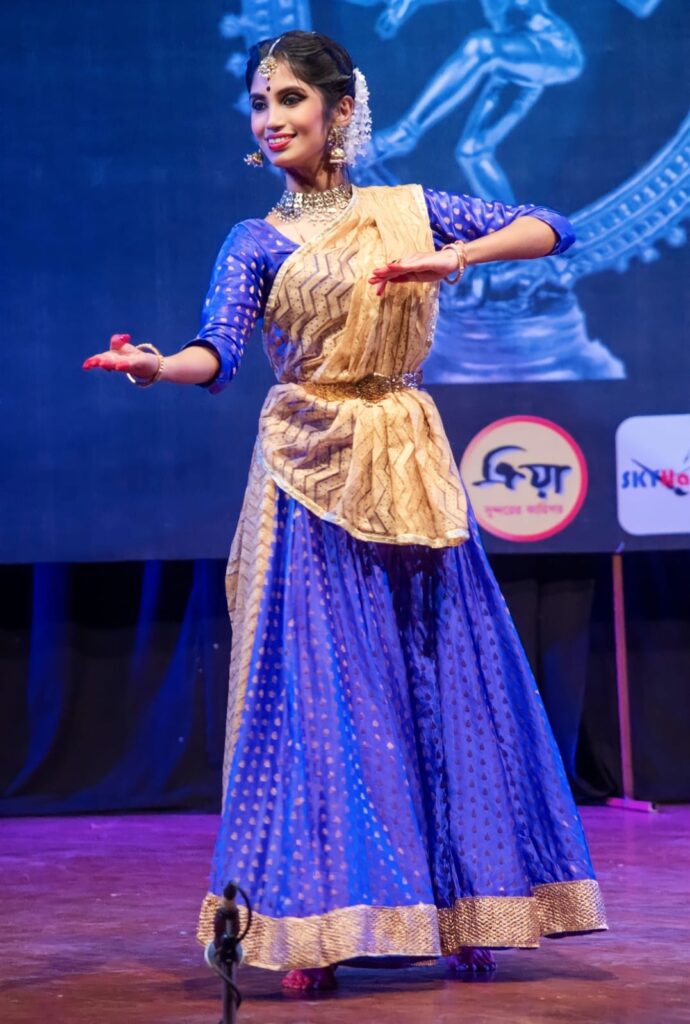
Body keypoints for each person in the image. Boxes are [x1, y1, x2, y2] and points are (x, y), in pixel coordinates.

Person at [83, 30, 607, 992]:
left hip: (406, 460)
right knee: (316, 699)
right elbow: (218, 353)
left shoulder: (408, 211)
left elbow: (552, 224)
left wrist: (459, 260)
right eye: (259, 103)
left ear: (338, 111)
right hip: (304, 475)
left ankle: (463, 909)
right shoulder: (254, 240)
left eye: (288, 99)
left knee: (437, 678)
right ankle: (310, 925)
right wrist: (159, 366)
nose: (271, 119)